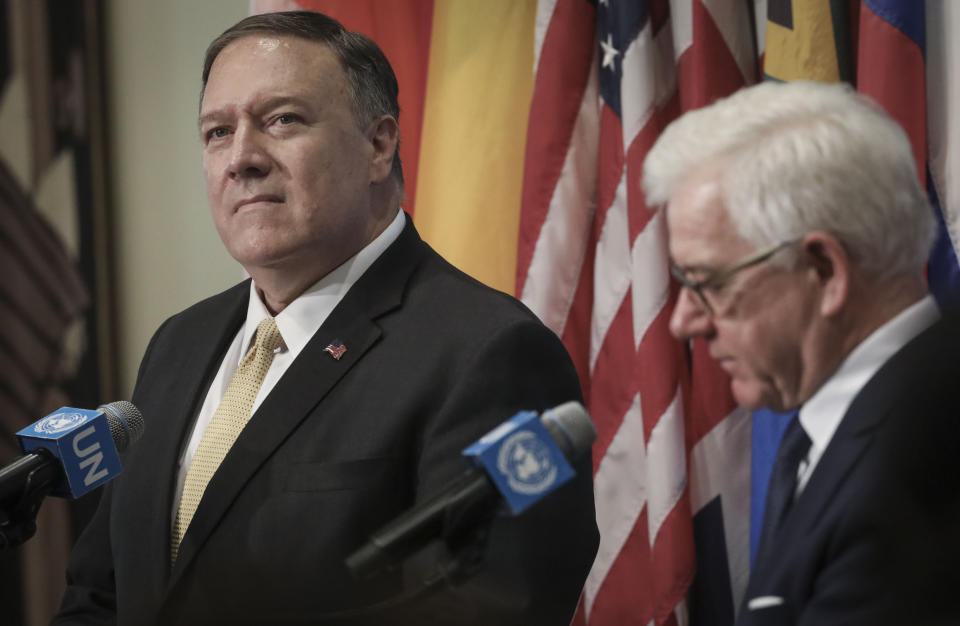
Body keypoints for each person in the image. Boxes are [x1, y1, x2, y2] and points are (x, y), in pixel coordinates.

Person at [53, 11, 598, 626]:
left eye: (282, 120)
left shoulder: (490, 352)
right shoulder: (179, 342)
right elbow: (100, 591)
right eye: (216, 132)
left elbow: (492, 608)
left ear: (378, 144)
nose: (241, 159)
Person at [643, 80, 960, 625]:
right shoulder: (841, 427)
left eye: (709, 283)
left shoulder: (914, 463)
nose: (683, 321)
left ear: (824, 271)